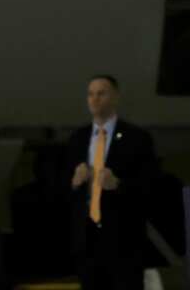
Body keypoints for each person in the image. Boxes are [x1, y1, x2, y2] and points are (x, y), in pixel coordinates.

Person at [66, 75, 157, 290]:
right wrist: (74, 183)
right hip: (87, 243)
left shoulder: (137, 138)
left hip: (123, 243)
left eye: (101, 93)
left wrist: (118, 185)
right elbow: (63, 190)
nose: (94, 99)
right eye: (90, 94)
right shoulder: (77, 139)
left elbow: (151, 188)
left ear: (115, 97)